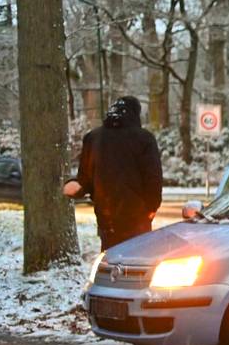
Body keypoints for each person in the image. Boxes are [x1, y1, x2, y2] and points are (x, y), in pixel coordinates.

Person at [62, 96, 163, 250]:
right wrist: (150, 209)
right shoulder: (144, 139)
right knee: (137, 261)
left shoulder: (93, 138)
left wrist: (74, 188)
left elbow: (85, 179)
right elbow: (153, 180)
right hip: (137, 219)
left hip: (106, 218)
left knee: (110, 259)